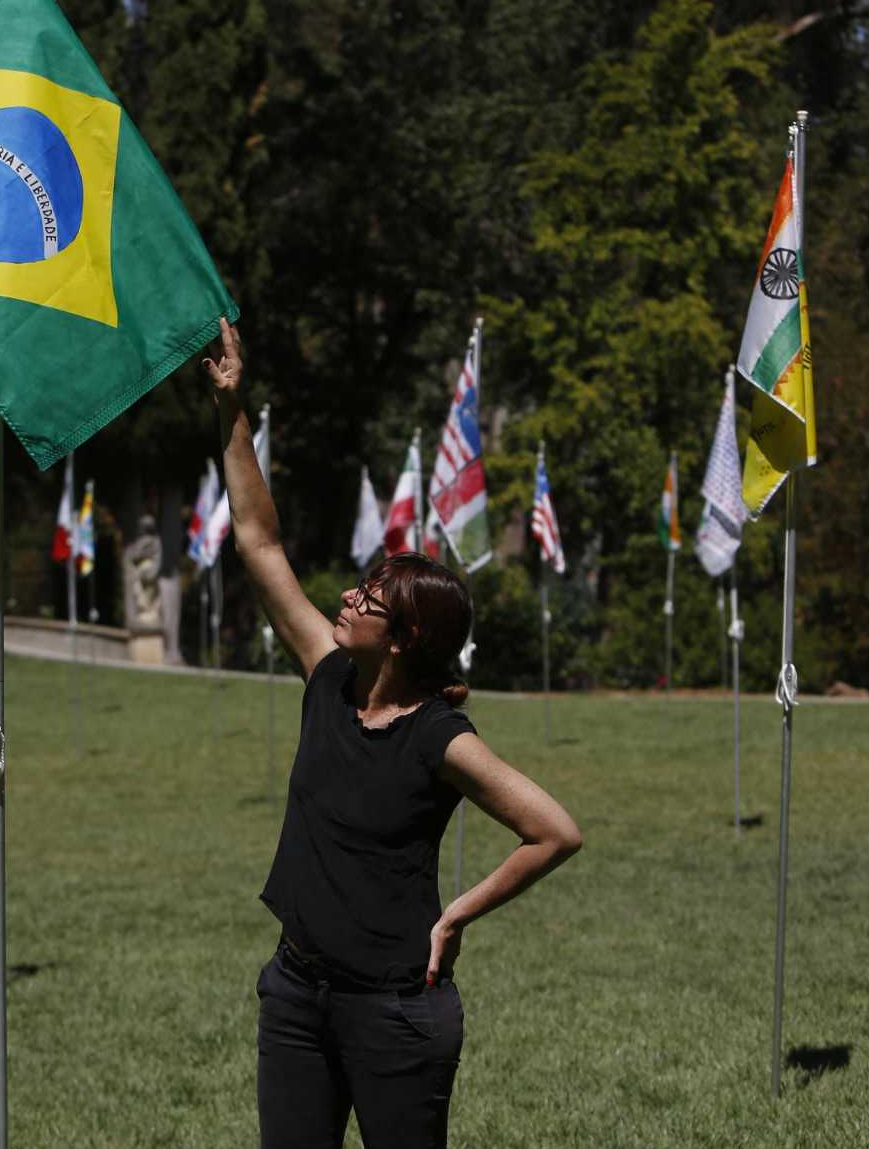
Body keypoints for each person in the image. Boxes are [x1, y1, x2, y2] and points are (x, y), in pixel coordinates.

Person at [202, 317, 583, 1149]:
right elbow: (260, 541)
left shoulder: (440, 738)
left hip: (396, 1013)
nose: (347, 597)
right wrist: (231, 406)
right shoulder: (328, 675)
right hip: (297, 996)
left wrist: (456, 917)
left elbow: (553, 830)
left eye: (370, 598)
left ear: (404, 637)